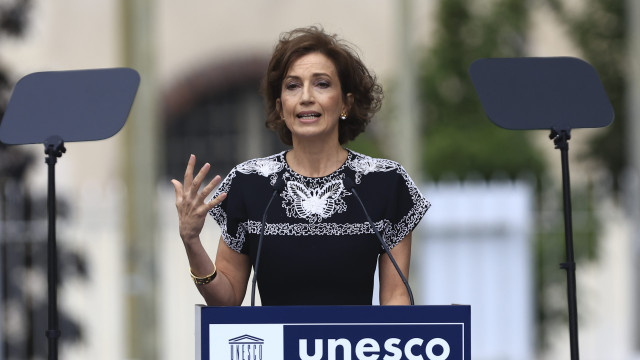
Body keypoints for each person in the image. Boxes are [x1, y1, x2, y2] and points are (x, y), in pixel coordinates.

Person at [171, 26, 430, 306]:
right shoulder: (249, 182)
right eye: (293, 86)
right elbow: (228, 301)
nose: (306, 96)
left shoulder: (386, 182)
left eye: (322, 83)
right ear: (281, 107)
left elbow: (395, 297)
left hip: (358, 348)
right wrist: (191, 241)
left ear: (346, 102)